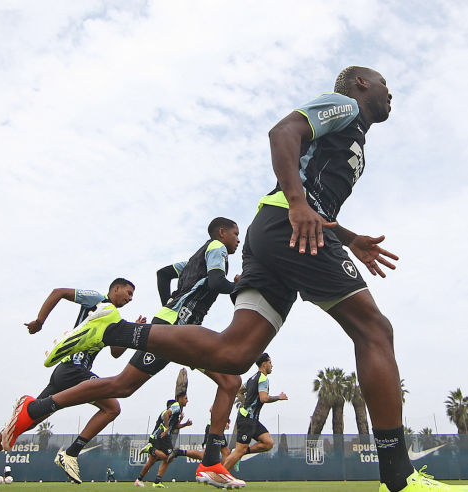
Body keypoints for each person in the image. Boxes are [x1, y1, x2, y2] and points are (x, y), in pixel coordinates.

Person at [42, 67, 453, 492]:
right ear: (361, 84)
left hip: (283, 231)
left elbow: (317, 196)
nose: (391, 91)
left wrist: (348, 238)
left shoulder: (352, 137)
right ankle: (399, 478)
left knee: (234, 353)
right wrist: (296, 201)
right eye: (383, 81)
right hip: (287, 226)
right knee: (374, 331)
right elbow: (283, 132)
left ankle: (113, 330)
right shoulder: (345, 105)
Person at [5, 219, 244, 487]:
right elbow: (215, 282)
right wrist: (240, 285)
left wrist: (167, 304)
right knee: (125, 386)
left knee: (228, 380)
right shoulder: (217, 249)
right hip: (177, 327)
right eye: (236, 233)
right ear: (222, 233)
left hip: (177, 325)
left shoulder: (191, 261)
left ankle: (210, 463)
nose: (238, 239)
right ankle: (38, 404)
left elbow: (163, 273)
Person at [0, 279, 139, 492]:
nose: (129, 299)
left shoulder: (114, 319)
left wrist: (133, 331)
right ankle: (71, 454)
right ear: (116, 289)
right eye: (128, 293)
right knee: (112, 407)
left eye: (132, 296)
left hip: (65, 374)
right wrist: (40, 320)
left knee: (27, 421)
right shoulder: (98, 300)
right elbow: (59, 292)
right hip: (74, 369)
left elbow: (115, 352)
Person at [222, 354, 286, 471]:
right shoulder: (263, 378)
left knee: (268, 443)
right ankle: (219, 476)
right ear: (264, 364)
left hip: (253, 420)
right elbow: (264, 398)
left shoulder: (252, 378)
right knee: (239, 451)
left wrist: (245, 403)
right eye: (270, 363)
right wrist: (278, 397)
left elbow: (239, 391)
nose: (272, 366)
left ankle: (240, 455)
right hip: (247, 419)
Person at [135, 392, 192, 488]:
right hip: (161, 436)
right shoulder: (176, 406)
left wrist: (184, 424)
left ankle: (139, 480)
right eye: (186, 398)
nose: (187, 400)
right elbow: (167, 417)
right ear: (180, 399)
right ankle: (150, 450)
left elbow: (174, 426)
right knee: (170, 457)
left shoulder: (175, 413)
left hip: (156, 437)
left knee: (152, 461)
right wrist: (166, 428)